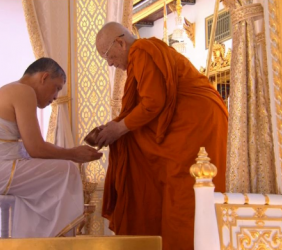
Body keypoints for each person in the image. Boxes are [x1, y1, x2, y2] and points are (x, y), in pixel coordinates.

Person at [95, 22, 228, 250]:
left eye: (108, 55)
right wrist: (116, 127)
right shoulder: (141, 56)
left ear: (120, 42)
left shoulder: (142, 50)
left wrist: (117, 129)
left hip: (196, 125)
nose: (109, 63)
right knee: (177, 192)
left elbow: (152, 103)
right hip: (190, 125)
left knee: (187, 193)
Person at [0, 58, 103, 238]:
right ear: (44, 77)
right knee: (67, 170)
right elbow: (36, 149)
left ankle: (35, 236)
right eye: (56, 87)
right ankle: (50, 239)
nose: (56, 96)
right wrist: (73, 154)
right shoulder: (23, 91)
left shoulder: (11, 90)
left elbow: (32, 150)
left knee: (54, 172)